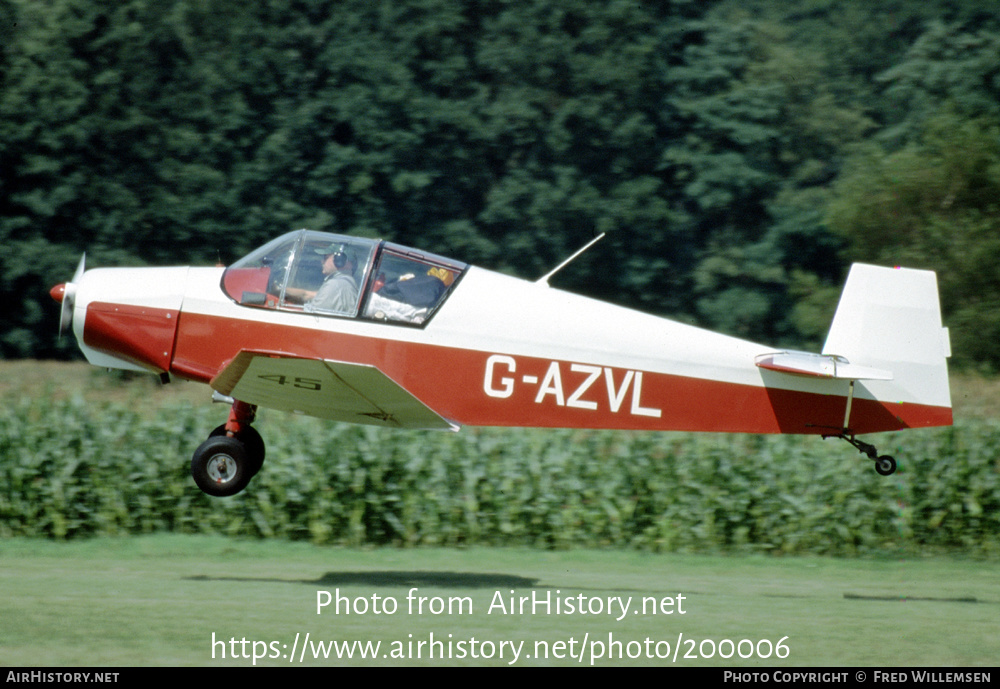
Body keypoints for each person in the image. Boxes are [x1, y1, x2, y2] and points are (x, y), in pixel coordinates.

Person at [303, 244, 358, 314]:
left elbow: (312, 316)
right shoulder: (345, 283)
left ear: (340, 261)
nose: (322, 261)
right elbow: (307, 294)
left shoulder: (335, 285)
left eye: (326, 258)